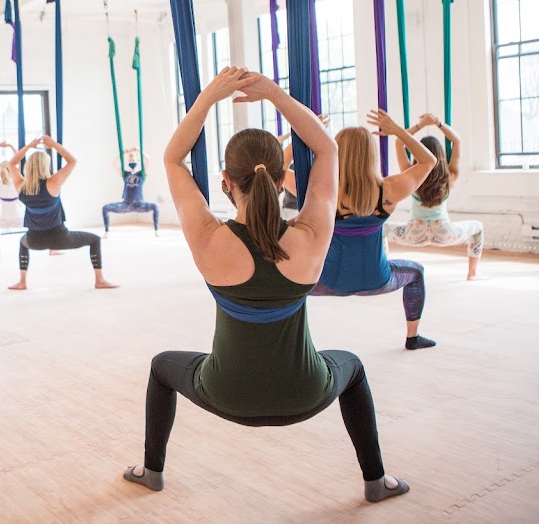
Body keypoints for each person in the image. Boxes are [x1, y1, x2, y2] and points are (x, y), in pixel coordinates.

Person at [123, 67, 409, 504]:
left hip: (225, 393)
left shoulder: (208, 238)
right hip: (306, 392)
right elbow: (327, 149)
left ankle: (152, 471)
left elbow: (172, 159)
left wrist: (208, 98)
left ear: (224, 182)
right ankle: (377, 481)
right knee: (350, 365)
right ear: (281, 181)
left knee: (164, 365)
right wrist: (274, 94)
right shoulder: (310, 236)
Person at [303, 109, 438, 350]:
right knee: (416, 272)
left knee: (287, 281)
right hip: (377, 279)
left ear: (337, 154)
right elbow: (429, 161)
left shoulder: (324, 192)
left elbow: (279, 171)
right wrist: (397, 130)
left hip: (327, 281)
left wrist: (307, 131)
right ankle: (413, 338)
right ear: (372, 155)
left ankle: (294, 346)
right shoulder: (390, 189)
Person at [6, 135, 117, 290]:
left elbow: (11, 163)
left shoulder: (21, 186)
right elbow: (72, 161)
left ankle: (22, 282)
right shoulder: (53, 183)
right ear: (46, 166)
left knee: (22, 242)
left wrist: (30, 145)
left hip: (34, 241)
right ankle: (100, 280)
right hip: (60, 239)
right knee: (95, 239)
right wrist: (54, 144)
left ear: (28, 167)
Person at [386, 114, 484, 280]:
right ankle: (472, 273)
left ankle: (384, 271)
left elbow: (398, 142)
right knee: (478, 227)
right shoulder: (450, 176)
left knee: (379, 228)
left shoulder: (411, 176)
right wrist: (438, 123)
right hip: (444, 233)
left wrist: (420, 125)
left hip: (414, 233)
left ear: (418, 155)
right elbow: (457, 141)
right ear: (441, 156)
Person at [0, 142, 61, 258]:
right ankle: (51, 248)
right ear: (12, 170)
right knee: (47, 221)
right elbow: (17, 159)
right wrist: (11, 146)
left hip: (4, 220)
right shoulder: (18, 183)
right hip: (20, 220)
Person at [101, 147, 160, 237]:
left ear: (138, 161)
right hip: (126, 204)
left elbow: (148, 159)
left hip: (139, 204)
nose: (131, 160)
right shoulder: (125, 174)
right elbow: (114, 163)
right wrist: (122, 153)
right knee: (105, 208)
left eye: (133, 159)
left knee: (155, 206)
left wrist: (139, 151)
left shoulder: (141, 174)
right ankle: (107, 232)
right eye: (130, 159)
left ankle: (156, 231)